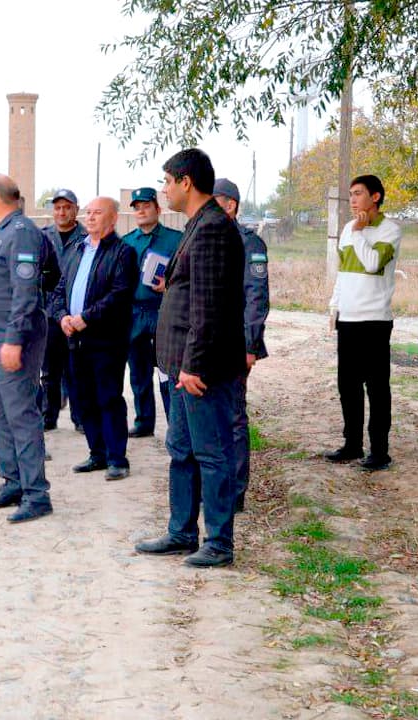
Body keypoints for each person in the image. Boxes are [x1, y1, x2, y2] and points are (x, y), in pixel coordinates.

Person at [135, 148, 245, 568]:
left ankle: (218, 542)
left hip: (201, 369)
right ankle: (182, 531)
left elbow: (209, 308)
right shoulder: (197, 224)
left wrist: (194, 365)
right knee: (181, 449)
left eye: (167, 181)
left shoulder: (213, 228)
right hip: (181, 366)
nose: (164, 190)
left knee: (211, 453)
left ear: (186, 181)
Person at [0, 174, 55, 522]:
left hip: (12, 340)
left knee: (21, 416)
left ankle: (36, 494)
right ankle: (12, 482)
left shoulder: (21, 232)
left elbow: (25, 292)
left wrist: (14, 339)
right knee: (1, 416)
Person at [50, 197, 137, 481]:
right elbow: (60, 289)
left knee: (108, 398)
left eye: (97, 213)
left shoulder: (123, 252)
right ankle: (96, 453)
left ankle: (117, 458)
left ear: (113, 219)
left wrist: (86, 317)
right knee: (83, 397)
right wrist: (62, 316)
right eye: (88, 212)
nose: (90, 217)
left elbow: (119, 295)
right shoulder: (78, 249)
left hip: (106, 341)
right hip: (75, 339)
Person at [324, 174, 403, 473]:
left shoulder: (390, 230)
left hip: (374, 321)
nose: (353, 199)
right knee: (348, 386)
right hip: (348, 319)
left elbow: (372, 263)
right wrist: (334, 306)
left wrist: (358, 233)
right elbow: (343, 273)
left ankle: (379, 451)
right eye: (351, 194)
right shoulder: (348, 228)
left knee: (377, 388)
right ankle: (352, 444)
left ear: (375, 197)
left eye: (358, 193)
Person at [212, 178, 271, 511]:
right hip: (206, 343)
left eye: (214, 202)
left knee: (233, 417)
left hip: (234, 344)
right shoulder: (207, 238)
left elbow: (256, 297)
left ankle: (234, 493)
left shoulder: (249, 243)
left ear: (230, 205)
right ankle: (214, 487)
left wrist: (250, 345)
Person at [121, 187, 183, 439]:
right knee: (138, 371)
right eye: (137, 207)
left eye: (146, 206)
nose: (141, 211)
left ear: (158, 209)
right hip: (134, 312)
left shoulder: (175, 239)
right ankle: (144, 421)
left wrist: (169, 284)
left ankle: (175, 425)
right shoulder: (127, 242)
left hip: (163, 310)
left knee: (168, 371)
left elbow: (186, 273)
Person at [41, 189, 87, 433]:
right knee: (49, 370)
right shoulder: (42, 236)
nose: (62, 212)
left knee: (75, 369)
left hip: (76, 313)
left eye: (67, 207)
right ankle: (48, 417)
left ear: (76, 210)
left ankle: (80, 418)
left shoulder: (87, 237)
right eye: (58, 207)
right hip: (49, 313)